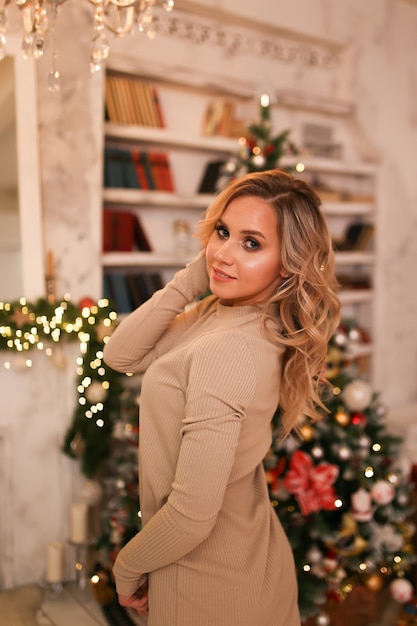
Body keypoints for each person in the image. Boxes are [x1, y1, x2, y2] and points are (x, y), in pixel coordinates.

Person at [103, 168, 341, 626]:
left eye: (251, 243)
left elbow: (192, 516)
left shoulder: (230, 346)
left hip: (211, 588)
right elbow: (121, 354)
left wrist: (127, 568)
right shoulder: (228, 313)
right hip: (230, 561)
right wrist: (197, 276)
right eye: (222, 231)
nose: (224, 253)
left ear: (288, 263)